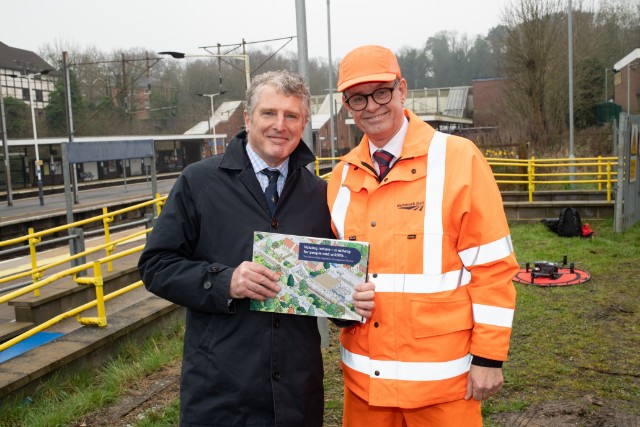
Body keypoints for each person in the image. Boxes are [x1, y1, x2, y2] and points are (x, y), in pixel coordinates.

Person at [138, 70, 374, 427]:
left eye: (291, 115)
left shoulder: (320, 194)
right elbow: (156, 265)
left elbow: (330, 284)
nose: (280, 125)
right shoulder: (199, 182)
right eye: (269, 113)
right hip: (220, 393)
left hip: (297, 394)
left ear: (304, 123)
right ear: (247, 118)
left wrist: (349, 301)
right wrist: (224, 282)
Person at [327, 45, 519, 426]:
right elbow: (338, 272)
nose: (372, 106)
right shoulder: (341, 177)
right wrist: (339, 307)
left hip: (443, 386)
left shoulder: (459, 159)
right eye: (358, 98)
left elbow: (493, 268)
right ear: (346, 105)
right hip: (365, 386)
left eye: (381, 92)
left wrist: (488, 358)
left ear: (402, 89)